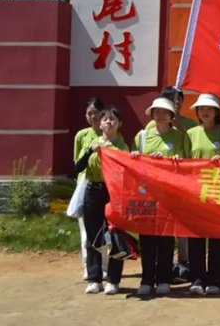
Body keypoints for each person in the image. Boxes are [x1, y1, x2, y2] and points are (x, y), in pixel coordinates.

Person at [132, 97, 192, 296]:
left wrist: (174, 161)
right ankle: (147, 279)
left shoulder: (179, 137)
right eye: (156, 112)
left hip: (169, 195)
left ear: (171, 116)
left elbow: (186, 164)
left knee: (166, 238)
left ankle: (164, 279)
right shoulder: (142, 136)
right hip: (147, 196)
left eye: (164, 112)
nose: (160, 115)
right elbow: (134, 164)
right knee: (147, 239)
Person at [74, 106, 128, 295]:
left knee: (115, 235)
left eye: (113, 119)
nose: (108, 122)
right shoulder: (93, 143)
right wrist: (90, 151)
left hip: (113, 193)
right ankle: (94, 278)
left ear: (119, 124)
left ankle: (113, 280)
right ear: (100, 123)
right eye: (105, 119)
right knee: (93, 235)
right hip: (93, 191)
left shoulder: (122, 147)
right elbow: (78, 167)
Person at [186, 93, 220, 296]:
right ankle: (197, 278)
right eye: (202, 108)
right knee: (195, 237)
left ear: (216, 112)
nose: (205, 112)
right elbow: (185, 162)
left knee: (215, 237)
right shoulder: (190, 134)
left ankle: (215, 279)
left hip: (217, 193)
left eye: (209, 108)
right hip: (195, 192)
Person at [73, 97, 105, 281]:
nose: (93, 117)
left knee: (105, 229)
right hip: (85, 185)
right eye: (89, 113)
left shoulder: (110, 134)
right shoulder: (81, 135)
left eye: (97, 113)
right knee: (86, 230)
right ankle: (88, 266)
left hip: (104, 185)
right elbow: (77, 162)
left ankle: (105, 267)